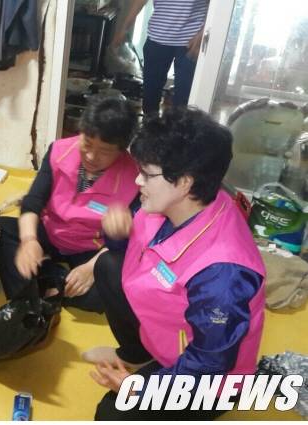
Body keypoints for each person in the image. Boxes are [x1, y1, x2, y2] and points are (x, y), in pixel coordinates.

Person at [84, 108, 266, 419]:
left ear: (184, 182)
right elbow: (137, 248)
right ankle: (137, 353)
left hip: (208, 382)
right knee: (108, 266)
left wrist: (142, 390)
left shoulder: (223, 274)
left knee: (110, 415)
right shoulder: (179, 201)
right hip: (170, 336)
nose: (138, 180)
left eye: (147, 173)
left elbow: (210, 364)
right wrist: (117, 234)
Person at [0, 97, 140, 313]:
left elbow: (132, 240)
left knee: (113, 291)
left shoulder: (135, 178)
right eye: (87, 143)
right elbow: (33, 201)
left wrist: (90, 269)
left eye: (104, 151)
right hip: (49, 230)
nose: (91, 156)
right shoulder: (59, 150)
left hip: (90, 246)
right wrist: (29, 240)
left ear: (121, 151)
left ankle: (44, 283)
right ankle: (53, 285)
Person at [113, 0, 209, 115]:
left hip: (191, 42)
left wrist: (203, 33)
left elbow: (215, 5)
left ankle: (177, 125)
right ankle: (150, 123)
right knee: (150, 93)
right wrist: (124, 28)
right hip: (157, 38)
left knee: (184, 96)